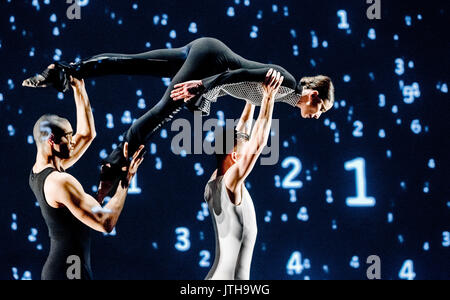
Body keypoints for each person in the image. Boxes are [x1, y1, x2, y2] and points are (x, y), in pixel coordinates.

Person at [23, 37, 334, 202]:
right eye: (321, 111)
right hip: (211, 63)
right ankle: (116, 161)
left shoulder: (281, 95)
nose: (316, 117)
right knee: (163, 110)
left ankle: (65, 70)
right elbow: (237, 74)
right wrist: (203, 86)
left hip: (207, 55)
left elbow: (247, 95)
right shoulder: (288, 84)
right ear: (315, 96)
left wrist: (213, 100)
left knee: (137, 63)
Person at [29, 74, 145, 280]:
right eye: (68, 136)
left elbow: (87, 134)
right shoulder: (60, 182)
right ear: (51, 140)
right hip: (69, 272)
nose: (73, 141)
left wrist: (78, 87)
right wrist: (126, 181)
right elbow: (105, 222)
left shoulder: (41, 169)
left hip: (66, 268)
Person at [205, 69, 283, 280]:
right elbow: (257, 144)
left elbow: (241, 133)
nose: (247, 150)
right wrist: (268, 98)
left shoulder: (214, 181)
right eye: (243, 149)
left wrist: (252, 98)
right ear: (234, 155)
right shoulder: (231, 183)